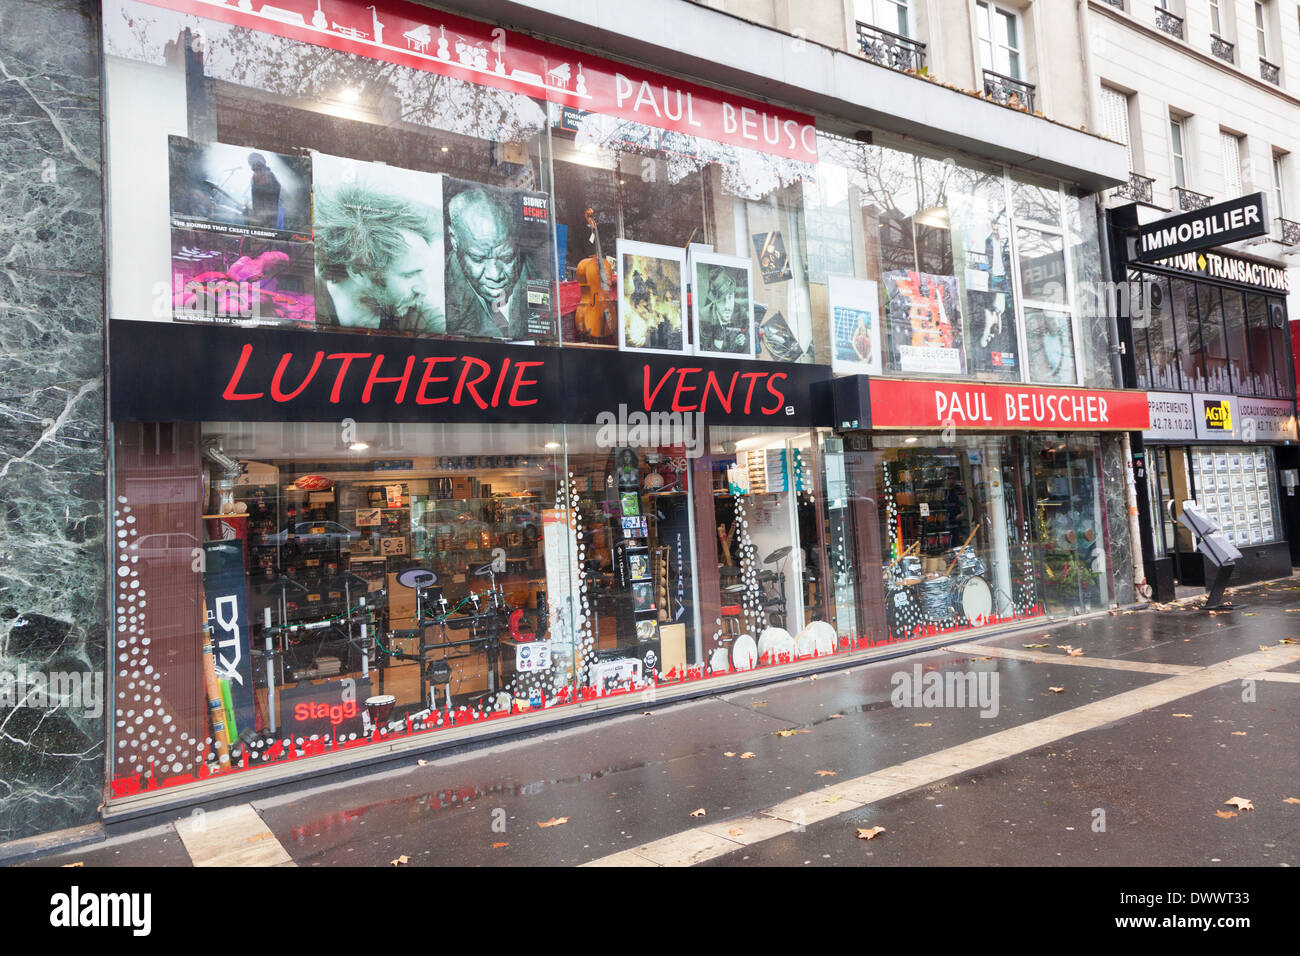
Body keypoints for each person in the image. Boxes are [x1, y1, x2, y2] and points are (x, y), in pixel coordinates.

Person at [313, 183, 446, 334]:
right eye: (408, 275)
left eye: (420, 273)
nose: (422, 289)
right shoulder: (302, 302)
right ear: (359, 271)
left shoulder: (420, 316)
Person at [444, 186, 537, 339]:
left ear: (518, 242)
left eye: (506, 258)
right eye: (478, 258)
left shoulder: (538, 275)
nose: (495, 275)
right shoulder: (431, 294)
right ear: (454, 240)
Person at [698, 266, 749, 354]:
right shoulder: (703, 316)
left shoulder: (742, 313)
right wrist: (720, 346)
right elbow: (704, 354)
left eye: (730, 297)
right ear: (715, 302)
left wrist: (744, 342)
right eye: (721, 300)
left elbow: (748, 348)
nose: (727, 306)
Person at [244, 152, 281, 229]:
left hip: (267, 217)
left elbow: (272, 194)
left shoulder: (268, 175)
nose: (252, 166)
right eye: (251, 163)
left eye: (253, 162)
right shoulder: (254, 177)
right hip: (260, 216)